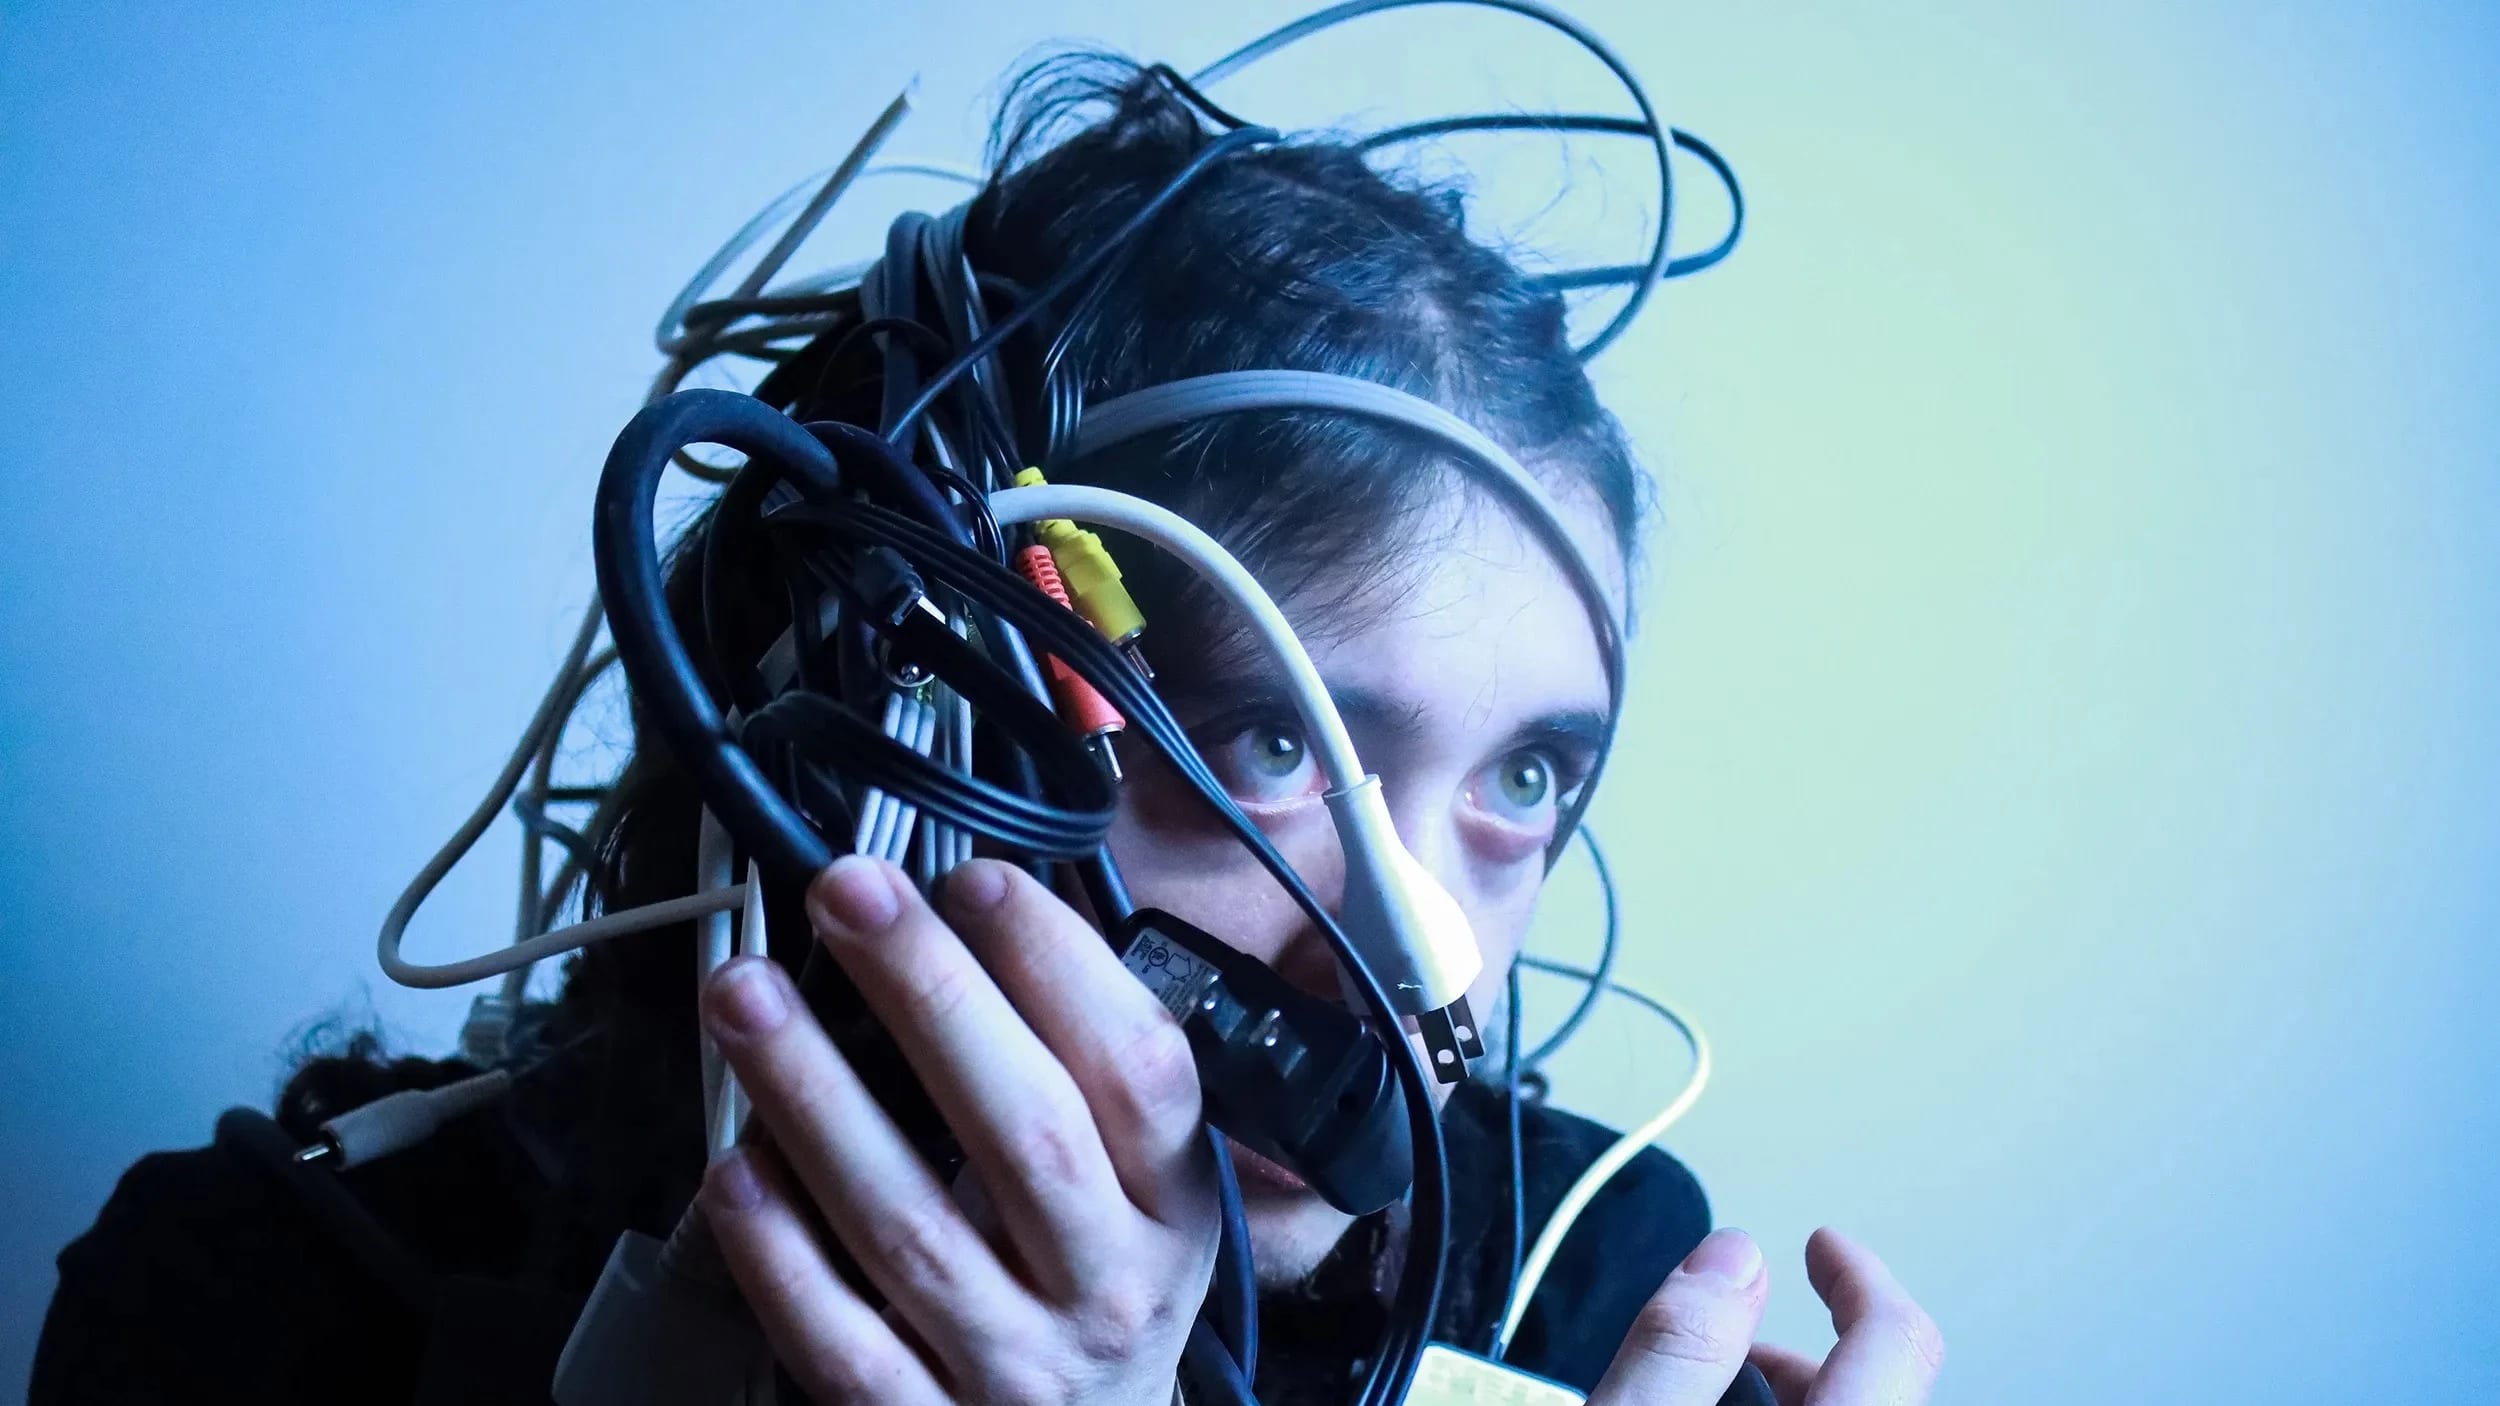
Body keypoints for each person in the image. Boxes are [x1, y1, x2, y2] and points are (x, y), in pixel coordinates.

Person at [31, 56, 1942, 1406]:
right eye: (1263, 746)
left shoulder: (1589, 1293)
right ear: (884, 719)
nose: (1415, 964)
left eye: (1524, 778)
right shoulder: (268, 1298)